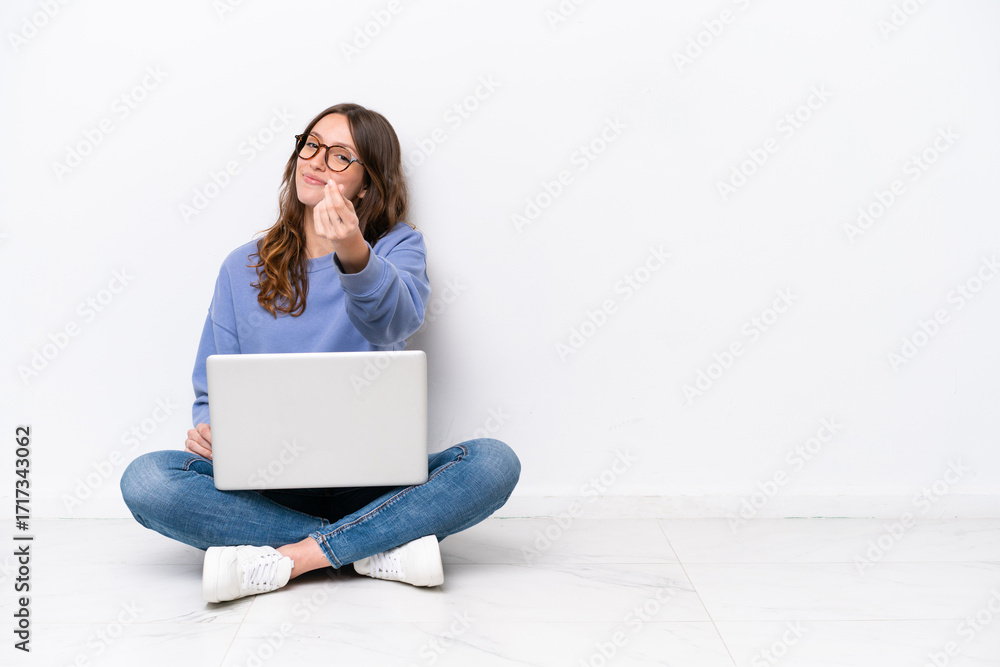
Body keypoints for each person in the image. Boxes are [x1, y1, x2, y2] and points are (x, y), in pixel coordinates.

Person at [119, 103, 521, 603]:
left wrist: (352, 249)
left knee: (493, 463)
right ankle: (376, 543)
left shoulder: (398, 247)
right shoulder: (242, 266)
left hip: (375, 481)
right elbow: (212, 384)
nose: (315, 160)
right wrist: (210, 430)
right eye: (311, 145)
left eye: (339, 155)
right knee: (147, 481)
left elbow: (394, 320)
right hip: (267, 485)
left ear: (367, 184)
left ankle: (294, 556)